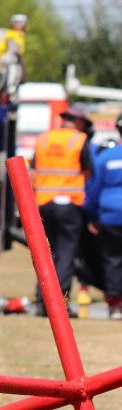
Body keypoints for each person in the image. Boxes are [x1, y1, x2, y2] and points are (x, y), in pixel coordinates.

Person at [29, 107, 94, 316]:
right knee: (66, 254)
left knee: (47, 253)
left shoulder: (44, 139)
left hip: (44, 203)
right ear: (79, 122)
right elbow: (88, 171)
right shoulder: (79, 140)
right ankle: (59, 305)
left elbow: (33, 171)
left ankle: (41, 299)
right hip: (69, 204)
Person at [84, 112, 122, 320]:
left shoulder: (105, 156)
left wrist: (92, 216)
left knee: (113, 259)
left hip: (111, 215)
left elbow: (93, 189)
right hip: (111, 214)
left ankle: (116, 305)